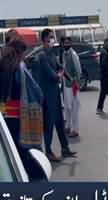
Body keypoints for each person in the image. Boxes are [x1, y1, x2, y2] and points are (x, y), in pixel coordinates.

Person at [1, 39, 46, 181]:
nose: (25, 56)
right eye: (24, 53)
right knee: (24, 150)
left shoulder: (1, 65)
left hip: (4, 115)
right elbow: (36, 92)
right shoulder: (20, 68)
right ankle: (35, 178)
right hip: (18, 114)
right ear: (19, 52)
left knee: (8, 150)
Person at [34, 29, 77, 162]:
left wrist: (70, 78)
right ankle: (48, 151)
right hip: (47, 97)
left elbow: (60, 68)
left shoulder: (52, 54)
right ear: (45, 39)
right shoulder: (41, 55)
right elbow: (51, 73)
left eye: (53, 37)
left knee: (59, 123)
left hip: (56, 96)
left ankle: (65, 149)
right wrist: (58, 75)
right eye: (51, 37)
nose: (53, 40)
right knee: (49, 125)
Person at [61, 37, 82, 138]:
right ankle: (68, 126)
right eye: (65, 43)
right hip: (65, 85)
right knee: (67, 107)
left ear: (70, 43)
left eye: (68, 43)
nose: (66, 44)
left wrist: (76, 83)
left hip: (72, 85)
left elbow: (78, 71)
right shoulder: (64, 54)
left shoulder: (73, 55)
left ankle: (75, 129)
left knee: (74, 108)